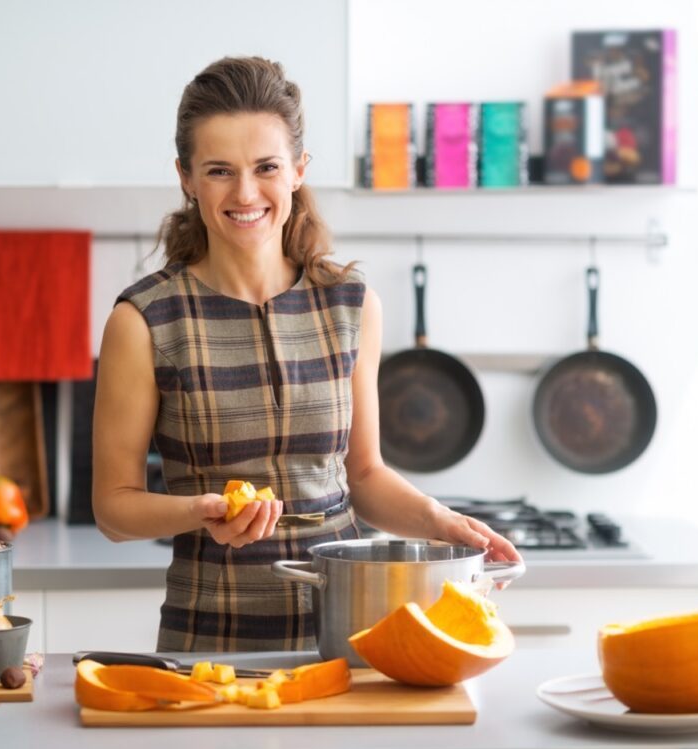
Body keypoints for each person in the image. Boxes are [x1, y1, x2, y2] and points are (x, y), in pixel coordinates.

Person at [92, 56, 521, 653]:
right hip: (211, 641)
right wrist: (201, 511)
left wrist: (441, 523)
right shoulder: (143, 320)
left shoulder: (352, 305)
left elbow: (364, 475)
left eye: (266, 167)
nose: (245, 193)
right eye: (219, 170)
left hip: (351, 635)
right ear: (187, 178)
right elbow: (113, 509)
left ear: (297, 170)